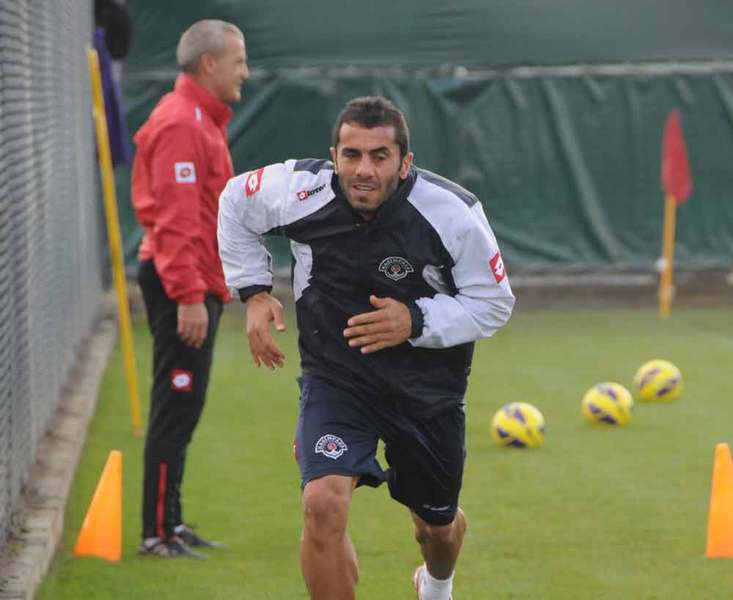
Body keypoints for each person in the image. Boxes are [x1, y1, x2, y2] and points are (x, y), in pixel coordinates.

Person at [218, 96, 514, 598]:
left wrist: (414, 319)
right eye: (351, 155)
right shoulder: (300, 190)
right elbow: (234, 201)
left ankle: (436, 586)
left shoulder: (453, 214)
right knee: (323, 504)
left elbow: (494, 302)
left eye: (379, 156)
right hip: (338, 378)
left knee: (437, 528)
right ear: (334, 156)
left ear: (404, 163)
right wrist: (254, 291)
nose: (364, 170)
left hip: (426, 389)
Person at [131, 19, 249, 558]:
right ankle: (157, 530)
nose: (245, 71)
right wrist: (188, 296)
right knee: (175, 404)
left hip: (196, 282)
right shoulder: (181, 122)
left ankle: (171, 523)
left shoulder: (200, 118)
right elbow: (175, 220)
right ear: (209, 64)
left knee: (185, 406)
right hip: (182, 285)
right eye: (238, 61)